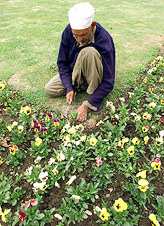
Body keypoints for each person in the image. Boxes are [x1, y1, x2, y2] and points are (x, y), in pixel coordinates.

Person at [45, 2, 115, 122]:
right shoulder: (68, 32)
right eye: (75, 36)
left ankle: (94, 94)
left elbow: (109, 81)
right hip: (75, 72)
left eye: (83, 35)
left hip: (95, 75)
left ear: (92, 25)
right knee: (50, 89)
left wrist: (88, 104)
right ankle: (79, 86)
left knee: (89, 52)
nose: (79, 39)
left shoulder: (104, 39)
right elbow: (62, 63)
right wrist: (69, 87)